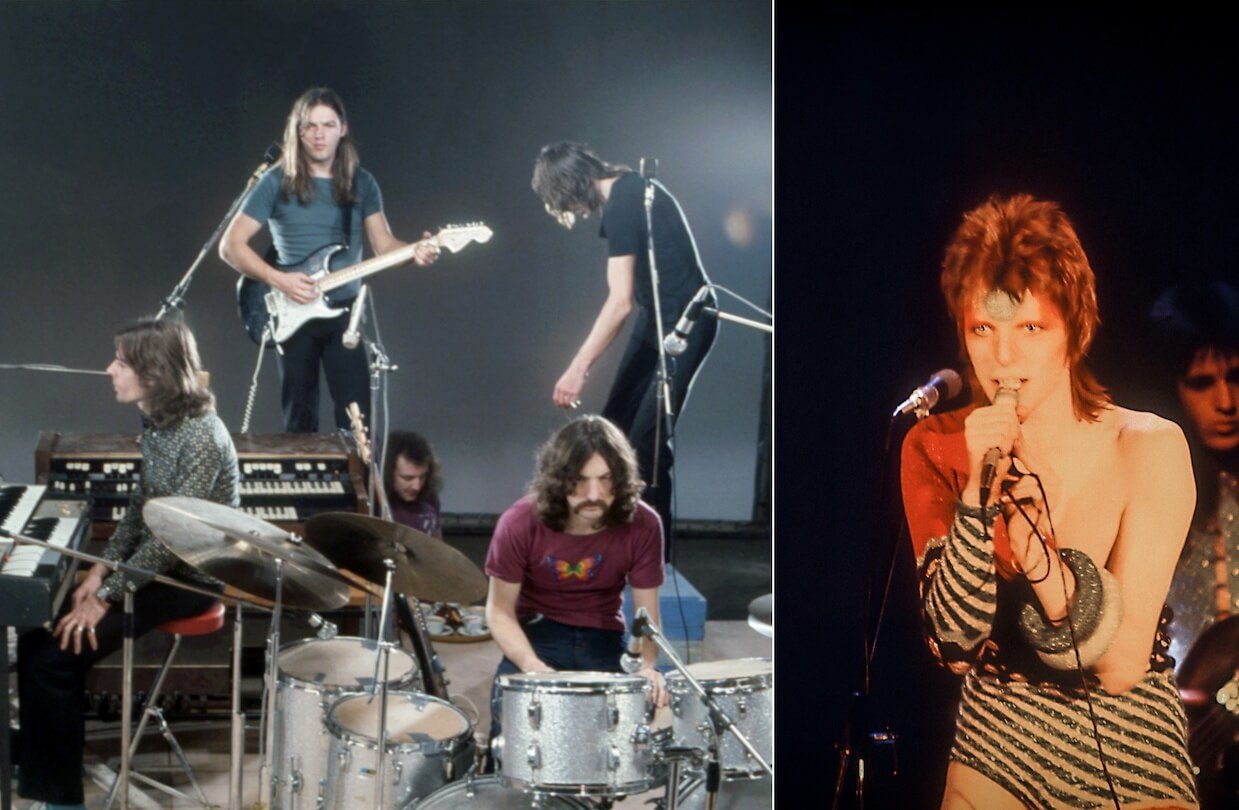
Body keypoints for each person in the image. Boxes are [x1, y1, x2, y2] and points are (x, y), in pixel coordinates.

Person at [900, 195, 1198, 808]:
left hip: (1130, 749)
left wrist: (1033, 543)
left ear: (1074, 330)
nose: (1003, 358)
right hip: (995, 743)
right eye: (983, 329)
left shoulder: (1147, 446)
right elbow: (954, 645)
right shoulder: (936, 444)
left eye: (1030, 328)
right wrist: (981, 492)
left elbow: (1117, 667)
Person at [17, 319, 239, 809]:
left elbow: (176, 541)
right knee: (35, 635)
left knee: (56, 660)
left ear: (154, 373)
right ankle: (39, 763)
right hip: (155, 565)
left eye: (121, 362)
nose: (109, 370)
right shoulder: (160, 424)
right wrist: (97, 571)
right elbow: (142, 509)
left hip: (191, 577)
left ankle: (62, 800)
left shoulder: (201, 436)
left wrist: (106, 596)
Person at [532, 142, 716, 554]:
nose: (569, 209)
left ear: (569, 183)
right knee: (614, 431)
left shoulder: (625, 200)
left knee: (647, 446)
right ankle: (609, 544)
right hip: (656, 322)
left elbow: (619, 302)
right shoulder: (625, 194)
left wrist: (578, 368)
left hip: (688, 323)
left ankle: (653, 559)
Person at [221, 87, 438, 433]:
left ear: (343, 128)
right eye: (310, 126)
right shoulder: (275, 181)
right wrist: (279, 280)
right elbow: (231, 246)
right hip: (293, 309)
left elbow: (384, 246)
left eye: (328, 125)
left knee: (357, 424)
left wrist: (415, 251)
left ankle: (357, 487)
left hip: (345, 315)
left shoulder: (362, 183)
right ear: (298, 130)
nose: (319, 135)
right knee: (299, 421)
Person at [484, 415, 668, 745]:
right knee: (511, 728)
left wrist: (647, 666)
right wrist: (531, 666)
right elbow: (499, 611)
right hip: (538, 633)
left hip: (604, 636)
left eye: (606, 479)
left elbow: (647, 619)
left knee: (613, 735)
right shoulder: (518, 522)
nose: (594, 494)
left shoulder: (644, 523)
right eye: (580, 481)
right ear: (558, 479)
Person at [1149, 281, 1239, 665]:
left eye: (1236, 378)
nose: (1226, 403)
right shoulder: (1150, 488)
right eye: (1201, 383)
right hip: (1178, 715)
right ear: (1172, 389)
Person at [383, 430, 443, 538]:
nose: (417, 486)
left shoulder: (430, 498)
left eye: (422, 476)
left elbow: (438, 546)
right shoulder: (375, 502)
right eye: (407, 478)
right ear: (389, 473)